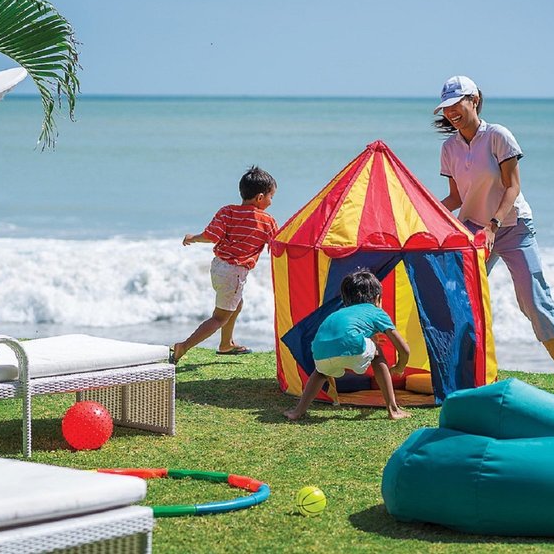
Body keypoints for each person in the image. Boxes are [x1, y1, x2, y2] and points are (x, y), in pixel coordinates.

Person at [433, 75, 554, 394]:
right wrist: (425, 213)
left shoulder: (498, 136)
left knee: (533, 299)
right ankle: (469, 371)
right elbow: (457, 197)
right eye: (446, 107)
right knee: (457, 297)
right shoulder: (449, 148)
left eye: (457, 104)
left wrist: (493, 225)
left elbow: (512, 186)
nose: (451, 112)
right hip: (473, 231)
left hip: (512, 226)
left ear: (474, 100)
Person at [170, 166, 278, 364]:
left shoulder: (227, 211)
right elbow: (278, 245)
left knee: (237, 304)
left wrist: (193, 238)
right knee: (219, 318)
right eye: (272, 197)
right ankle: (183, 346)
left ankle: (226, 344)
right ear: (260, 197)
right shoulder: (267, 221)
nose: (271, 202)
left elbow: (211, 236)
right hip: (234, 273)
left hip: (219, 267)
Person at [284, 269, 411, 420]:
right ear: (378, 298)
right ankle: (393, 409)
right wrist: (399, 367)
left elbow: (343, 334)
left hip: (320, 352)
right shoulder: (377, 312)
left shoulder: (338, 313)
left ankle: (298, 411)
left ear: (345, 299)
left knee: (320, 373)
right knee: (377, 354)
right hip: (352, 347)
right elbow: (404, 349)